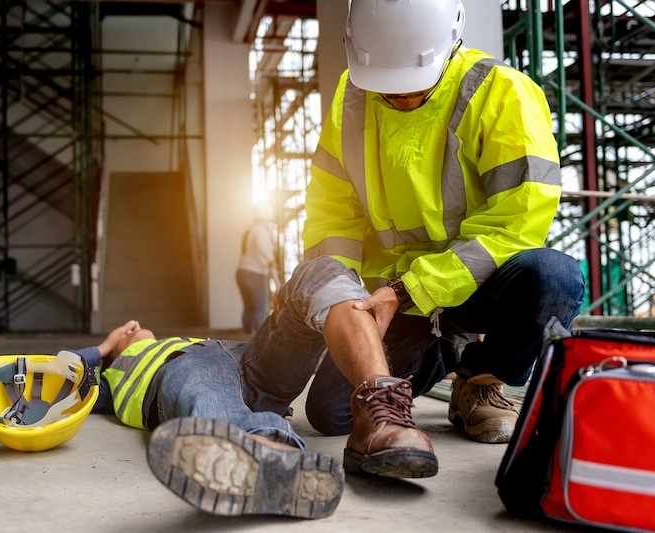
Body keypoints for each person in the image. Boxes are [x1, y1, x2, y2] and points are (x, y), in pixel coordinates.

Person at [232, 0, 586, 479]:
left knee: (554, 276)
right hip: (391, 301)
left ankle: (482, 380)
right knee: (333, 414)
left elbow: (515, 224)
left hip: (471, 288)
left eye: (414, 86)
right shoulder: (350, 98)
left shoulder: (503, 94)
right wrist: (345, 303)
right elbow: (333, 213)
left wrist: (408, 291)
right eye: (387, 87)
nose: (399, 97)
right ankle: (446, 350)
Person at [71, 317, 344, 520]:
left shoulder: (175, 341)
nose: (132, 325)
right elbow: (50, 377)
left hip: (240, 360)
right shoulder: (109, 377)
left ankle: (267, 456)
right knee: (205, 389)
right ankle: (271, 453)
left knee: (302, 300)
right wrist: (101, 348)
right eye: (124, 331)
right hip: (192, 370)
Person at [235, 203, 278, 334]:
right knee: (260, 309)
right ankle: (261, 341)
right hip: (255, 274)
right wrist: (271, 260)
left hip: (241, 272)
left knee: (248, 308)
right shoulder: (260, 230)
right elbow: (263, 245)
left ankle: (245, 338)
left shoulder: (251, 229)